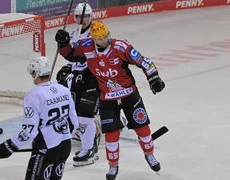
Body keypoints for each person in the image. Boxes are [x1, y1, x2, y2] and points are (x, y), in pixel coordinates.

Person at [55, 21, 165, 180]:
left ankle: (150, 155)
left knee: (143, 129)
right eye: (100, 38)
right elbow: (70, 54)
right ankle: (113, 166)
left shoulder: (121, 46)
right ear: (93, 39)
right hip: (107, 98)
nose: (105, 39)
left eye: (106, 35)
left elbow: (144, 61)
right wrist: (63, 43)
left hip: (129, 95)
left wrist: (154, 77)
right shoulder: (86, 45)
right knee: (111, 136)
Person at [0, 56, 79, 180]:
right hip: (65, 146)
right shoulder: (64, 90)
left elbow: (30, 131)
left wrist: (9, 146)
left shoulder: (33, 96)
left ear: (36, 73)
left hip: (46, 148)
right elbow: (74, 121)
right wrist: (61, 136)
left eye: (33, 72)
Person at [56, 2, 101, 167]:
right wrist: (63, 44)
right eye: (79, 16)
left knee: (85, 115)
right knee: (77, 113)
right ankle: (88, 144)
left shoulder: (97, 31)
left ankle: (89, 148)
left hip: (93, 76)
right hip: (78, 77)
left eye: (85, 16)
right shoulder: (75, 33)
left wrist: (67, 50)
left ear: (91, 16)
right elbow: (72, 56)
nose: (82, 19)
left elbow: (81, 55)